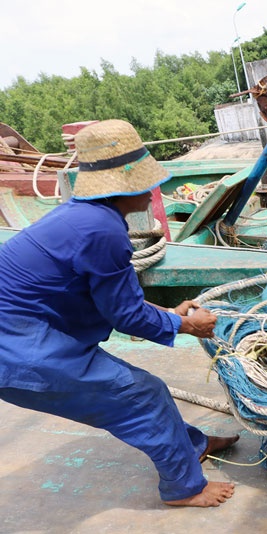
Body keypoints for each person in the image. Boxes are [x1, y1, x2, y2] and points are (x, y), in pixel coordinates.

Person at [0, 119, 239, 508]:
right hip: (17, 347)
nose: (152, 190)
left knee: (137, 392)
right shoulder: (104, 231)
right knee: (143, 394)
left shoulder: (83, 215)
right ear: (126, 186)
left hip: (26, 331)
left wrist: (169, 312)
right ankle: (185, 488)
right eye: (146, 183)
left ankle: (192, 445)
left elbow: (113, 299)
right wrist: (186, 324)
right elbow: (127, 317)